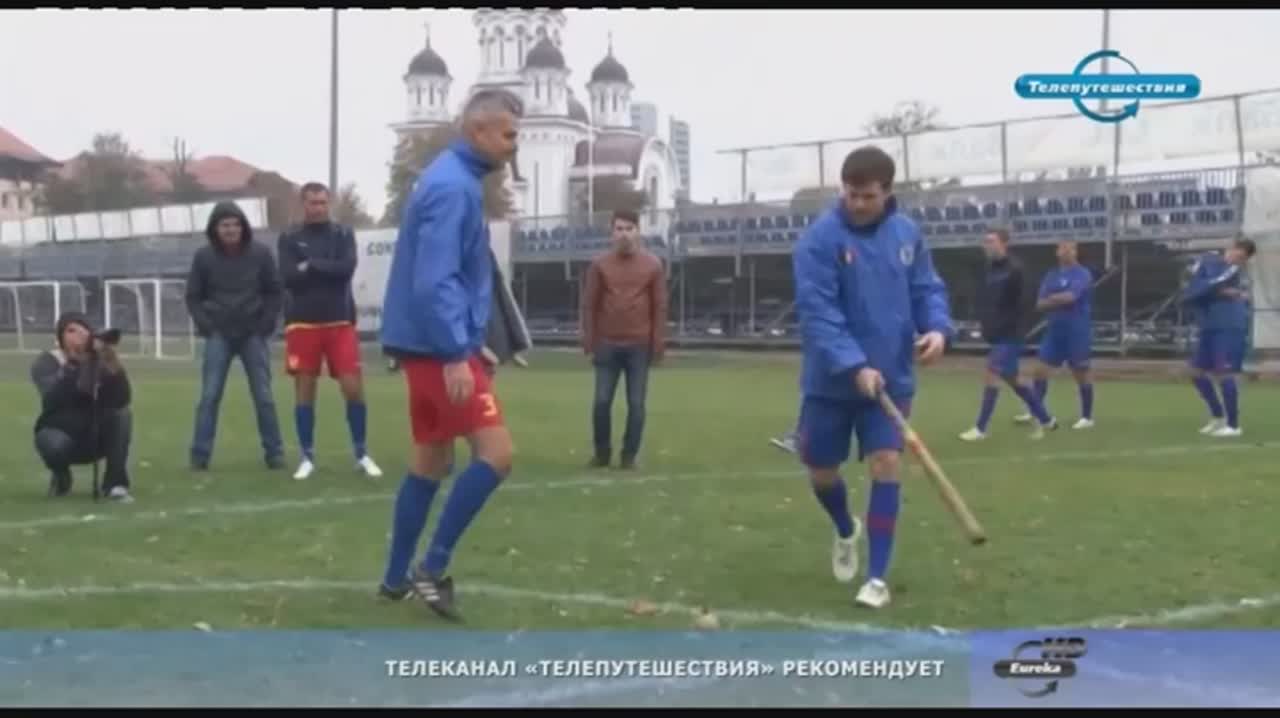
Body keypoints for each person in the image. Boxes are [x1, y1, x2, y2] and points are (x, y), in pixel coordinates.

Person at [376, 89, 522, 620]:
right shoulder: (452, 187)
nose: (513, 145)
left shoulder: (450, 178)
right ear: (478, 131)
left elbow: (449, 277)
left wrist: (468, 338)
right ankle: (431, 568)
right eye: (508, 134)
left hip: (428, 346)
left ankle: (395, 578)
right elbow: (434, 279)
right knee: (496, 455)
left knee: (431, 460)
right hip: (438, 351)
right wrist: (457, 350)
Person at [792, 145, 952, 609]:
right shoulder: (819, 240)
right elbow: (818, 311)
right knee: (822, 471)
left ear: (887, 191)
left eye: (868, 196)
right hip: (831, 381)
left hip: (892, 377)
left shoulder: (907, 234)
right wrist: (853, 365)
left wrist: (938, 329)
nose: (858, 203)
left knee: (886, 462)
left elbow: (927, 289)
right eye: (851, 194)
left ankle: (877, 578)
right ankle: (846, 528)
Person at [277, 182, 383, 481]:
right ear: (303, 204)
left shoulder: (343, 234)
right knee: (305, 388)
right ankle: (307, 456)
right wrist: (325, 269)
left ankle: (361, 453)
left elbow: (346, 269)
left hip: (340, 321)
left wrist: (310, 265)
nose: (318, 208)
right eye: (313, 203)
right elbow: (288, 276)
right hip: (302, 323)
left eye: (323, 202)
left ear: (329, 203)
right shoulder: (289, 237)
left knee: (352, 387)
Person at [185, 200, 286, 470]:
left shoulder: (261, 254)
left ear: (243, 227)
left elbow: (275, 291)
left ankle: (274, 453)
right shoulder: (203, 257)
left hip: (253, 333)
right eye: (225, 225)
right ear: (215, 228)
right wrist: (206, 325)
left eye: (235, 224)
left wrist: (265, 324)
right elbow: (193, 296)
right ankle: (200, 456)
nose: (230, 230)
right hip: (218, 333)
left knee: (263, 396)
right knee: (209, 396)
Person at [580, 209, 668, 470]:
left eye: (629, 228)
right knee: (601, 402)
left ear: (638, 232)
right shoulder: (599, 265)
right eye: (619, 229)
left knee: (636, 404)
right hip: (607, 345)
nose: (624, 234)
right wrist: (589, 340)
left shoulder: (653, 265)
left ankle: (629, 455)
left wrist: (658, 343)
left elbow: (660, 305)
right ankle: (602, 454)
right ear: (612, 233)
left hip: (639, 346)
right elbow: (589, 304)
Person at [958, 229, 1057, 442]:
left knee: (992, 373)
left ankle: (980, 428)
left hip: (1010, 334)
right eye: (985, 241)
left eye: (991, 241)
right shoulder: (988, 270)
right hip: (996, 333)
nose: (987, 245)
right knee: (1013, 379)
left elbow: (1025, 303)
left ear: (1004, 243)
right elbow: (988, 302)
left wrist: (1017, 328)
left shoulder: (1016, 269)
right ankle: (1046, 419)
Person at [30, 312, 134, 502]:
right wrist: (73, 365)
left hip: (95, 433)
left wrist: (110, 362)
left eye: (82, 330)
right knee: (50, 442)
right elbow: (52, 398)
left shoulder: (99, 358)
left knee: (122, 415)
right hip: (62, 431)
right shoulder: (47, 362)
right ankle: (61, 475)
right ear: (60, 337)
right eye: (70, 331)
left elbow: (122, 399)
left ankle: (115, 484)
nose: (77, 336)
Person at [1013, 240, 1096, 429]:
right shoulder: (1051, 274)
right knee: (1039, 371)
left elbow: (1071, 297)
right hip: (1055, 330)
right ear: (1057, 252)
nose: (1066, 251)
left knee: (1081, 372)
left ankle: (1087, 417)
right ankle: (1036, 411)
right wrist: (1058, 298)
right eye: (1063, 248)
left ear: (1075, 252)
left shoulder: (1082, 273)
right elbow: (1040, 303)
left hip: (1077, 330)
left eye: (1071, 248)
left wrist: (1053, 298)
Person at [1183, 237, 1256, 437]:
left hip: (1229, 327)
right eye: (1236, 255)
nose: (1235, 260)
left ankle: (1233, 425)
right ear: (1231, 248)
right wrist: (1218, 292)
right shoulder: (1210, 264)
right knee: (1195, 372)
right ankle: (1217, 416)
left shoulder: (1237, 273)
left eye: (1241, 259)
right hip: (1209, 325)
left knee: (1224, 373)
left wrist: (1215, 291)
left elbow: (1237, 293)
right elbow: (1196, 290)